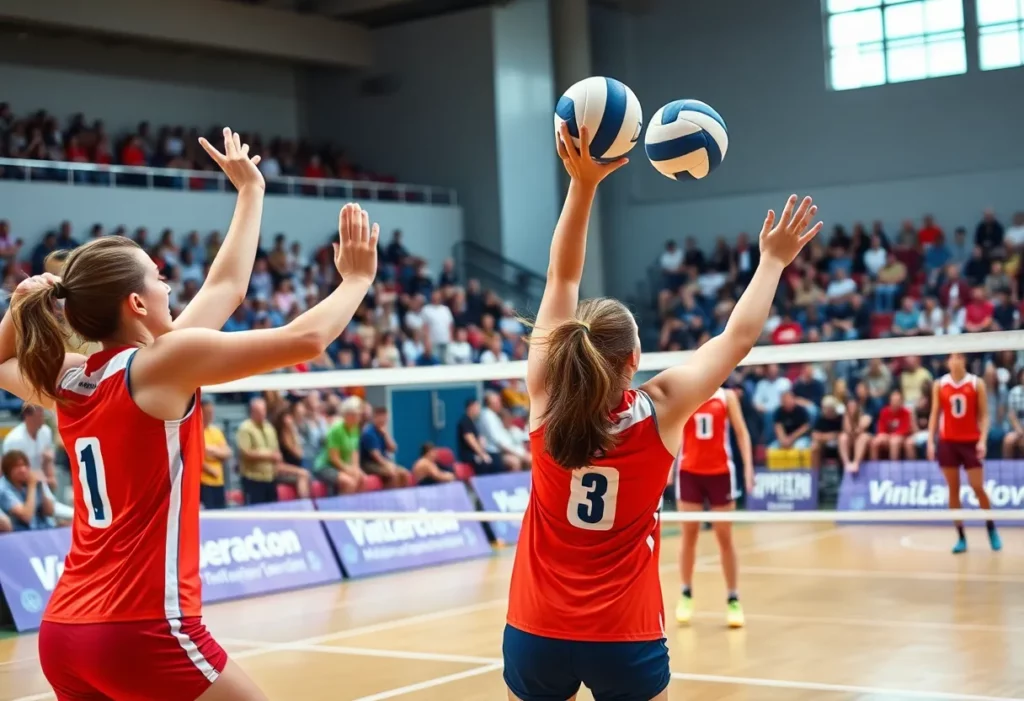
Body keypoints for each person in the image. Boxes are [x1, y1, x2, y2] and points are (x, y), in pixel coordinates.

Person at [0, 126, 378, 701]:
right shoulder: (164, 361)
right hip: (143, 628)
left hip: (65, 633)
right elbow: (307, 339)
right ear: (136, 303)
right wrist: (355, 281)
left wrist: (250, 193)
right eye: (158, 277)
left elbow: (225, 286)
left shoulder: (73, 375)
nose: (169, 284)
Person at [503, 122, 821, 701]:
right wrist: (772, 262)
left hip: (535, 627)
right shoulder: (663, 407)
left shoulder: (546, 398)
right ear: (636, 360)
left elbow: (562, 276)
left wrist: (583, 184)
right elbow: (737, 338)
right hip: (623, 634)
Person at [673, 387, 754, 629]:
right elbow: (675, 430)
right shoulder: (689, 393)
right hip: (689, 473)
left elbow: (742, 433)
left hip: (720, 474)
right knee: (689, 535)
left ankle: (733, 598)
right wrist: (668, 465)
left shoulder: (726, 397)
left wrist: (748, 468)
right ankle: (686, 593)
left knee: (724, 537)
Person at [927, 353, 1002, 554]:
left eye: (959, 357)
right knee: (953, 489)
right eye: (952, 357)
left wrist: (983, 441)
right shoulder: (939, 384)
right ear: (947, 362)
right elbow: (935, 414)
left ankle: (991, 529)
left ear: (964, 361)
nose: (955, 360)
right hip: (948, 442)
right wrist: (930, 441)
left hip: (971, 442)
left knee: (978, 487)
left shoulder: (976, 383)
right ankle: (961, 536)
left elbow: (985, 415)